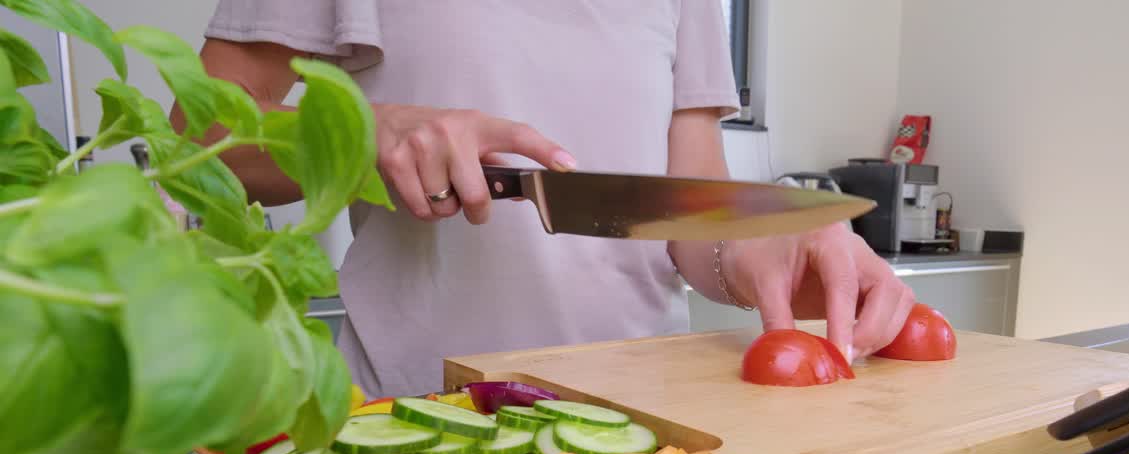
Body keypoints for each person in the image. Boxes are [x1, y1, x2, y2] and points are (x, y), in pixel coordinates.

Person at [186, 1, 915, 396]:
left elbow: (691, 219)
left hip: (642, 437)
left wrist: (765, 247)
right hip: (419, 423)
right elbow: (199, 138)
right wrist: (360, 133)